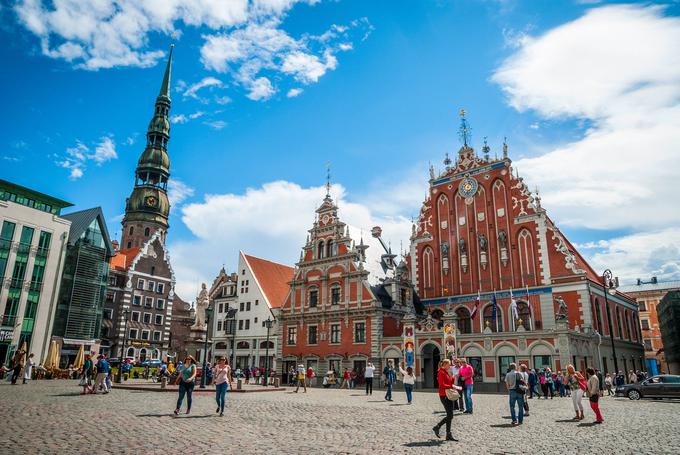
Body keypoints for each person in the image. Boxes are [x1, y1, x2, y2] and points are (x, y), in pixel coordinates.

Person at [433, 359, 461, 442]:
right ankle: (437, 427)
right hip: (444, 395)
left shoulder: (445, 372)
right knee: (450, 415)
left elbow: (449, 382)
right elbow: (442, 384)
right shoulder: (441, 372)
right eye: (449, 364)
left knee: (450, 415)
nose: (450, 366)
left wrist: (453, 377)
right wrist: (452, 387)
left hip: (448, 394)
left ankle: (448, 434)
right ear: (444, 364)